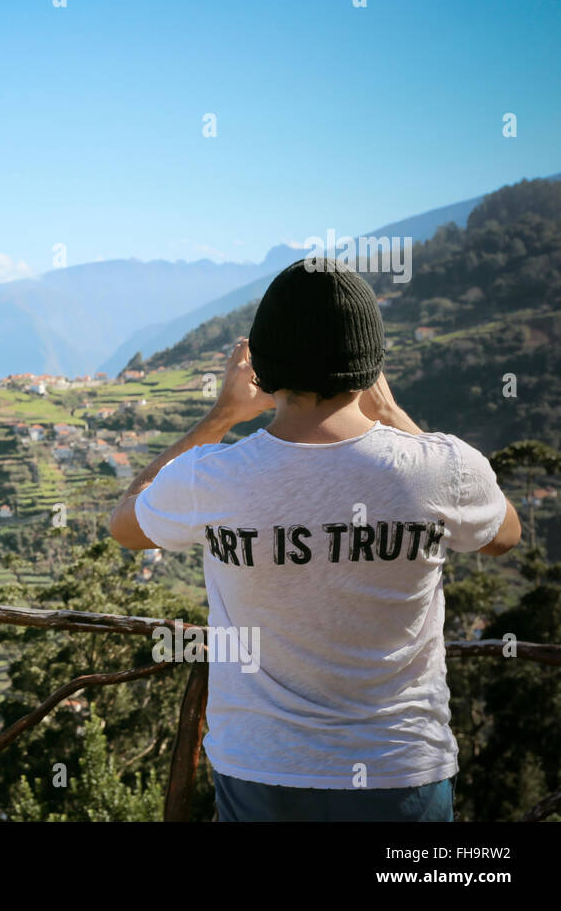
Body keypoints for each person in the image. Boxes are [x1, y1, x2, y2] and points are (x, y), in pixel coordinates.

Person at [108, 258, 520, 821]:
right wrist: (393, 412)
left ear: (263, 368)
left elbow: (125, 524)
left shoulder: (212, 475)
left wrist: (220, 416)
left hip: (261, 772)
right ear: (370, 367)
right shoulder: (440, 467)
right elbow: (504, 536)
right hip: (401, 773)